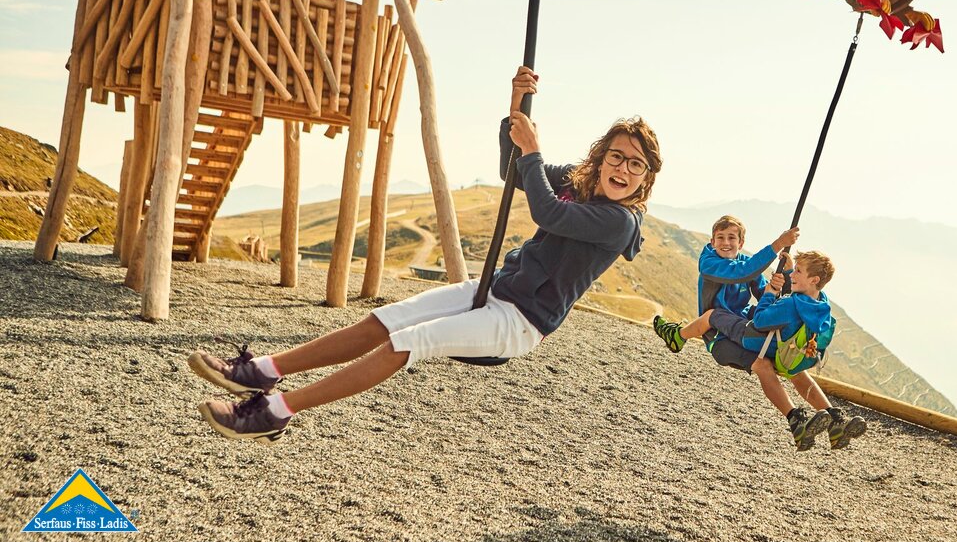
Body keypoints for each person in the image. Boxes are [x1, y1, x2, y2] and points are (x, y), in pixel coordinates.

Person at [188, 66, 663, 443]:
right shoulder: (580, 180)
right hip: (493, 289)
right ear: (601, 157)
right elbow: (513, 171)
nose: (623, 169)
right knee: (385, 320)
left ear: (646, 178)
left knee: (408, 342)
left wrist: (534, 149)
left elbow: (548, 213)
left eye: (636, 164)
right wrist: (515, 108)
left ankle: (273, 412)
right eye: (616, 156)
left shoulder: (620, 222)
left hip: (518, 322)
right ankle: (261, 371)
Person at [656, 250, 866, 451]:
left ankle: (677, 336)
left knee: (713, 315)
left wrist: (769, 294)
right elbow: (796, 303)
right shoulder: (821, 303)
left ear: (814, 280)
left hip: (756, 340)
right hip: (793, 352)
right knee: (798, 374)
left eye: (798, 271)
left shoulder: (790, 305)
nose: (793, 274)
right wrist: (787, 273)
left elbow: (760, 320)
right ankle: (835, 420)